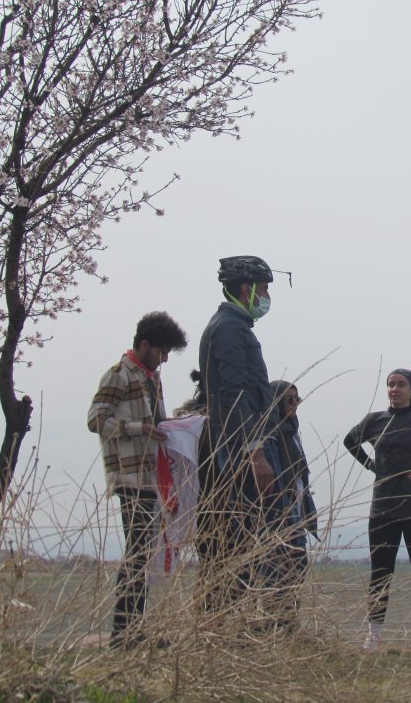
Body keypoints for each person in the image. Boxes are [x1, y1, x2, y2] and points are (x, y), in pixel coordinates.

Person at [87, 311, 188, 648]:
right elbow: (96, 420)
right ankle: (124, 632)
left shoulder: (152, 379)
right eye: (161, 352)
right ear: (144, 345)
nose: (163, 359)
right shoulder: (118, 375)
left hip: (152, 476)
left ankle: (133, 629)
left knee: (144, 552)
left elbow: (157, 422)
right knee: (137, 553)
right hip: (129, 476)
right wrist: (138, 429)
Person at [197, 255, 286, 619]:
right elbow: (233, 393)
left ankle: (235, 622)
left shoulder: (235, 326)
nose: (266, 296)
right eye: (263, 288)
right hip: (241, 449)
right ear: (247, 288)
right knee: (242, 539)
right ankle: (229, 624)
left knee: (246, 538)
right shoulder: (228, 329)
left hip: (245, 445)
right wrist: (255, 451)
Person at [344, 369, 411, 651]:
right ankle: (374, 636)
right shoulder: (376, 421)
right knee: (380, 573)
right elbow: (350, 441)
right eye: (390, 384)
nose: (395, 389)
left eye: (401, 384)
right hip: (383, 507)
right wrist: (372, 466)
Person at [270, 380, 320, 625]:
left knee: (297, 569)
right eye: (287, 400)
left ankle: (290, 623)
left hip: (298, 512)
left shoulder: (292, 430)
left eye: (296, 399)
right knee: (277, 571)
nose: (293, 404)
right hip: (280, 514)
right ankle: (276, 624)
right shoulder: (271, 433)